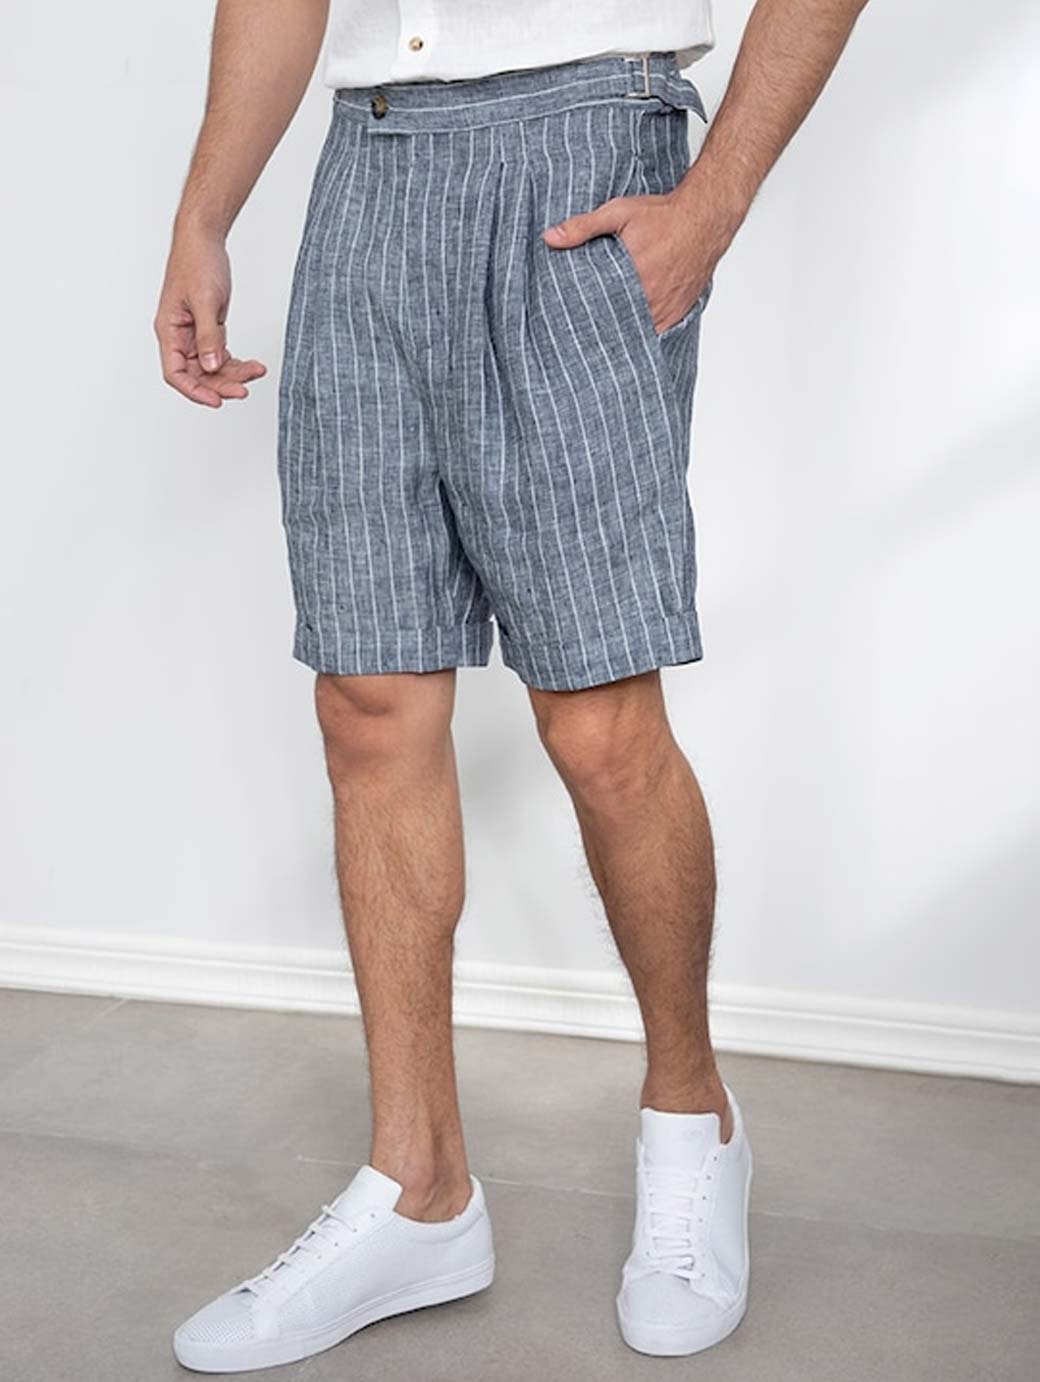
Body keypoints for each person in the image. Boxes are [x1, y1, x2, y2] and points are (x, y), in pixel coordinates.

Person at [156, 0, 867, 1370]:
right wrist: (205, 211)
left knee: (596, 713)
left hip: (585, 149)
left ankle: (693, 1120)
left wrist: (714, 199)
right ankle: (419, 1186)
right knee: (368, 703)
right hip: (368, 166)